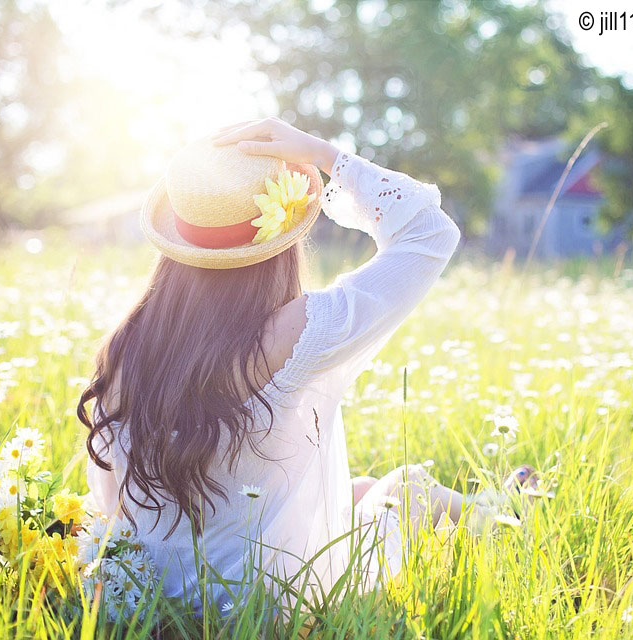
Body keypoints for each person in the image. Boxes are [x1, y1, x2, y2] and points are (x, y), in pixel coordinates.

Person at [78, 117, 534, 614]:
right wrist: (326, 156)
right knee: (407, 487)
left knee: (357, 490)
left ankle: (495, 507)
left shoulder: (125, 344)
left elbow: (111, 497)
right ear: (281, 240)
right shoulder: (294, 332)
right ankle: (502, 514)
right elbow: (429, 233)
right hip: (270, 601)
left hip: (155, 591)